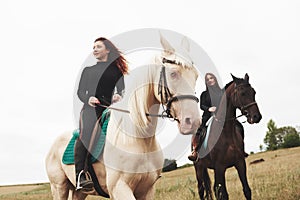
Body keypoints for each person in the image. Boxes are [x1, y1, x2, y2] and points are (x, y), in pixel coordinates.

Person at [75, 37, 128, 191]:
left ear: (107, 50)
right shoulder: (88, 70)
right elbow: (80, 92)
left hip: (111, 108)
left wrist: (119, 96)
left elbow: (122, 90)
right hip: (91, 109)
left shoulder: (117, 71)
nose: (95, 49)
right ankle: (81, 175)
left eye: (98, 46)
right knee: (85, 136)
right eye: (93, 47)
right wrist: (88, 98)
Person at [188, 73, 224, 161]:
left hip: (222, 115)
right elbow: (201, 106)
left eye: (211, 78)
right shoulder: (204, 94)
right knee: (199, 130)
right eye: (207, 79)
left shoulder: (222, 92)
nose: (210, 80)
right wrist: (209, 109)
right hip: (208, 116)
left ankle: (240, 148)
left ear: (215, 79)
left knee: (237, 125)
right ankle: (195, 150)